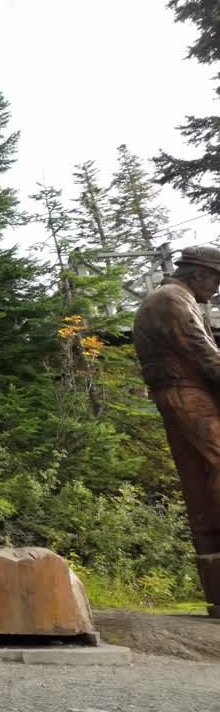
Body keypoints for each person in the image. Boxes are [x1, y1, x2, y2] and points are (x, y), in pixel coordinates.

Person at [132, 246, 220, 615]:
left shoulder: (166, 299)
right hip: (190, 394)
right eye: (215, 279)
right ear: (198, 273)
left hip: (175, 394)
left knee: (199, 482)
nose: (215, 290)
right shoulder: (173, 300)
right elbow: (204, 355)